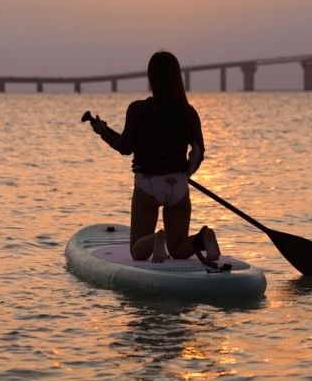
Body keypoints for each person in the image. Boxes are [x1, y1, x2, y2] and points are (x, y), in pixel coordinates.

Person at [90, 51, 220, 263]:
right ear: (178, 77)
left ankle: (157, 240)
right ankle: (203, 238)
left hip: (147, 186)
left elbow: (125, 147)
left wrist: (103, 132)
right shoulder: (188, 112)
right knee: (178, 249)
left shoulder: (138, 109)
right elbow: (198, 152)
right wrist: (186, 172)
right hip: (177, 185)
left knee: (137, 250)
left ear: (151, 78)